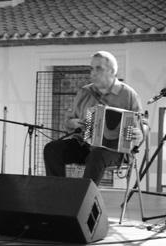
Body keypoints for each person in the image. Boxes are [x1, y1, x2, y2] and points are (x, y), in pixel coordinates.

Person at [43, 51, 148, 185]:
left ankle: (85, 202)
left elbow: (143, 123)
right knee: (52, 149)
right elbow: (68, 121)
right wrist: (74, 123)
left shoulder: (128, 94)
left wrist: (140, 132)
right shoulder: (85, 92)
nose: (93, 72)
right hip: (85, 146)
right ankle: (58, 195)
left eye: (99, 68)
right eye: (91, 68)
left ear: (112, 71)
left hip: (116, 151)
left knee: (97, 155)